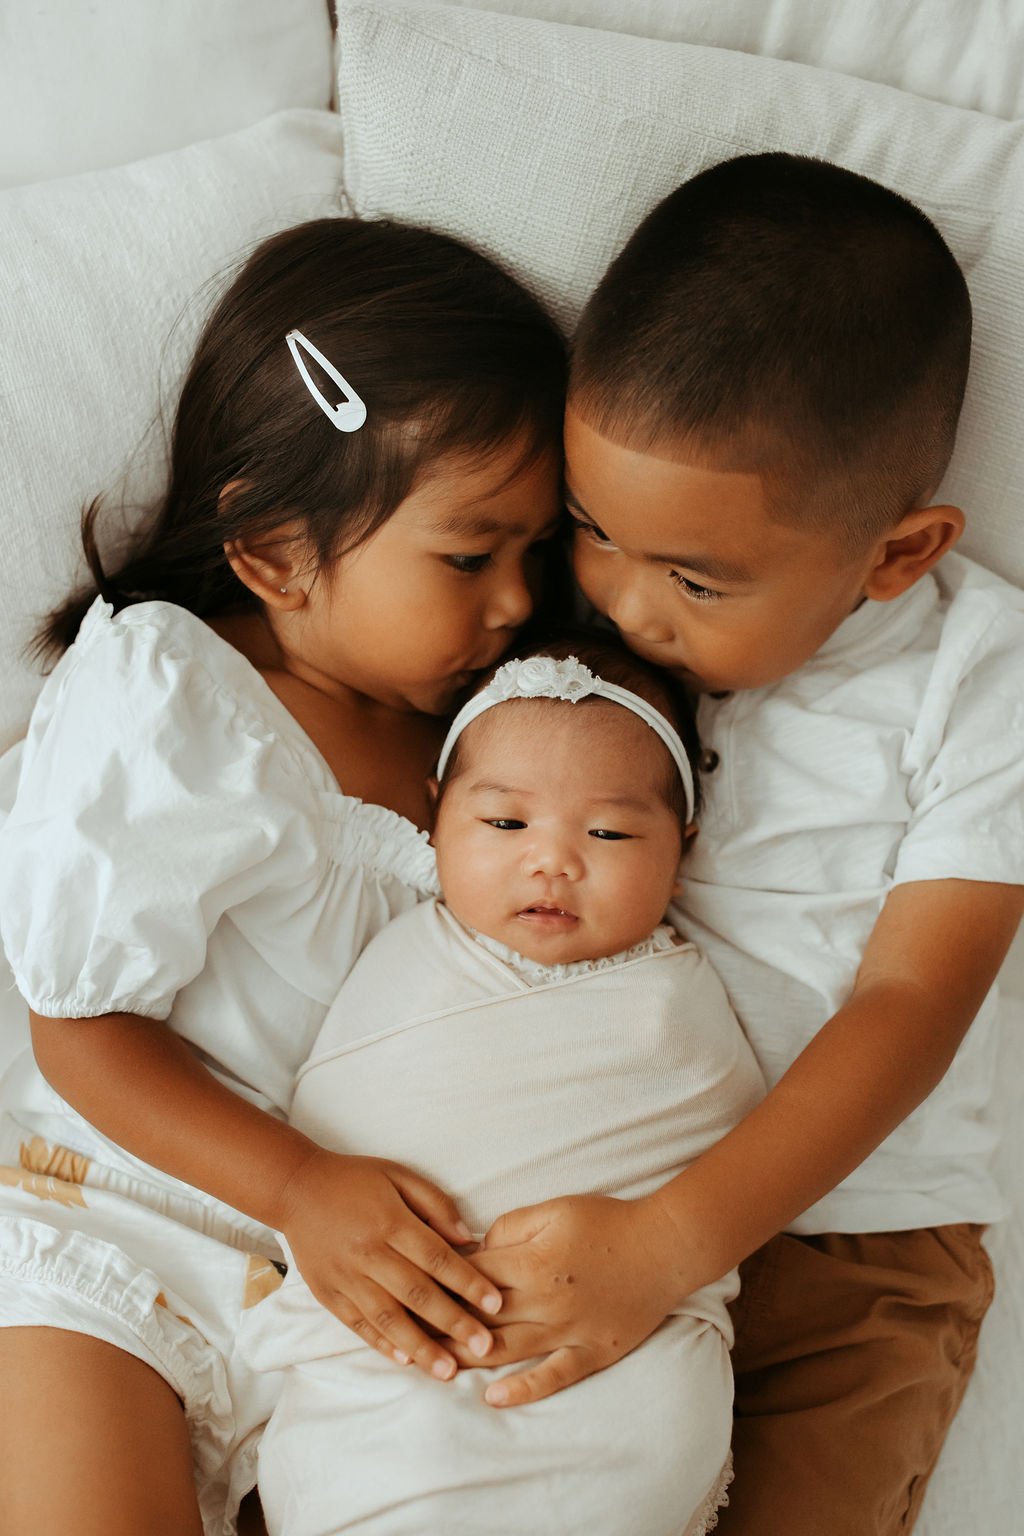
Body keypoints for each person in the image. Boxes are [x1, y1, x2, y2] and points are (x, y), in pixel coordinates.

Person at [438, 155, 1024, 1535]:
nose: (629, 604)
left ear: (895, 553)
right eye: (596, 532)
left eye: (697, 579)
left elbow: (913, 1002)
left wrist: (680, 1242)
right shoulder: (572, 638)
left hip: (857, 1239)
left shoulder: (976, 674)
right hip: (578, 1185)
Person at [0, 215, 567, 1536]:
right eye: (470, 557)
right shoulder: (183, 699)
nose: (516, 603)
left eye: (539, 554)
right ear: (274, 552)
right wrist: (301, 1190)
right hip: (109, 1244)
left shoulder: (484, 756)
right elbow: (79, 1030)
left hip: (337, 1318)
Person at [239, 634, 765, 1536]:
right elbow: (328, 1120)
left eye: (608, 832)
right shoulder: (393, 952)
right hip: (395, 1359)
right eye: (506, 824)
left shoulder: (679, 1000)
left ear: (681, 846)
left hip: (614, 1362)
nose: (553, 860)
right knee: (388, 1461)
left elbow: (733, 1140)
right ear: (437, 813)